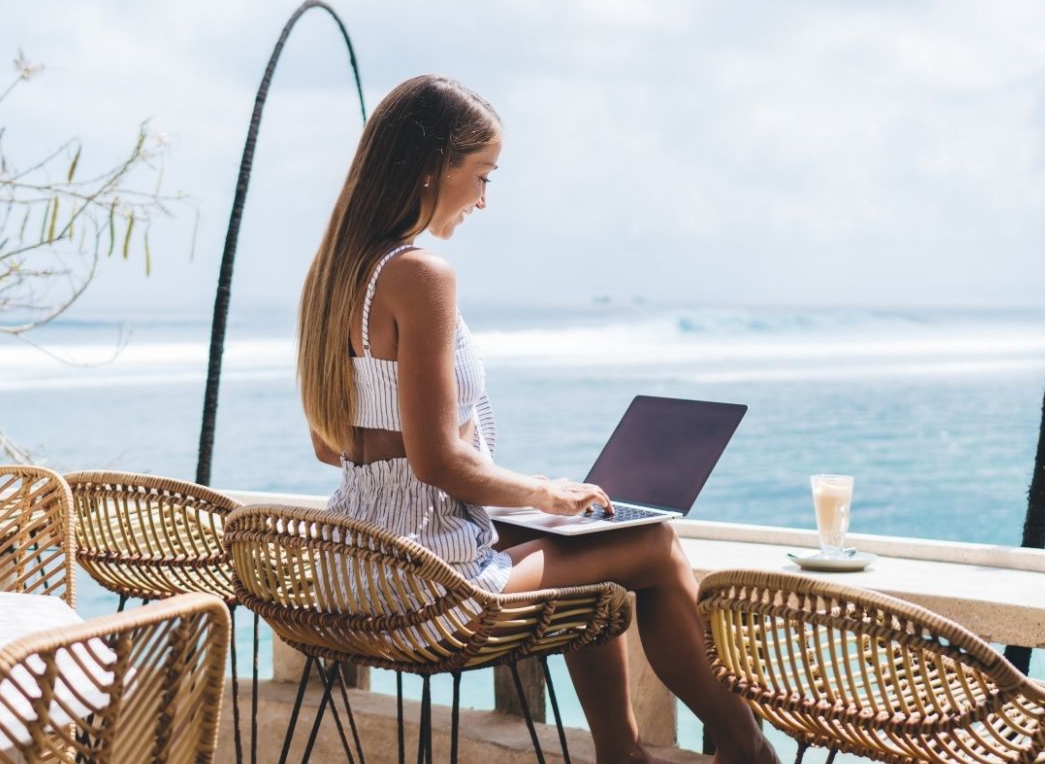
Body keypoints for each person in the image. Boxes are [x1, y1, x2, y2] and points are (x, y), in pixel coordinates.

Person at [297, 74, 775, 764]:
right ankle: (744, 746)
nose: (485, 200)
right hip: (425, 589)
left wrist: (509, 496)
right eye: (482, 175)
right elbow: (434, 462)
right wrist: (540, 491)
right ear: (434, 168)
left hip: (355, 567)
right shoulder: (419, 275)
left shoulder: (335, 274)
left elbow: (330, 446)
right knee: (657, 546)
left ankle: (625, 751)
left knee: (586, 545)